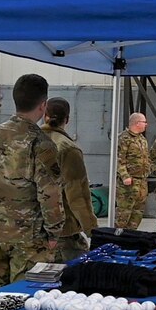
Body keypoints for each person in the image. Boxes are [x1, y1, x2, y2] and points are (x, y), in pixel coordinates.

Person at [0, 73, 64, 292]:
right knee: (26, 297)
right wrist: (54, 233)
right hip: (30, 238)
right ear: (43, 106)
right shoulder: (41, 144)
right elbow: (50, 195)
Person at [41, 97, 98, 262]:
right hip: (62, 233)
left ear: (44, 115)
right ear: (67, 119)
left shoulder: (27, 142)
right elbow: (77, 195)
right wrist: (92, 231)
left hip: (29, 231)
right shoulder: (68, 149)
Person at [115, 112, 149, 230]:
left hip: (141, 183)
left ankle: (130, 236)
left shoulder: (142, 139)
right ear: (137, 123)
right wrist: (125, 176)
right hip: (128, 184)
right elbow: (119, 159)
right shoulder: (124, 138)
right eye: (144, 122)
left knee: (137, 213)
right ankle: (118, 238)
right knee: (123, 214)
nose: (146, 124)